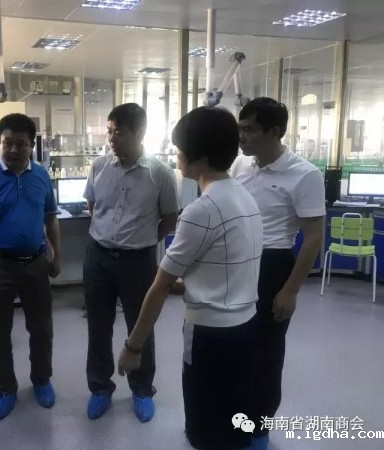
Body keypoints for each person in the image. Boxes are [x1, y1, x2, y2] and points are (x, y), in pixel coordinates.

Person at [118, 106, 263, 450]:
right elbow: (229, 262)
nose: (176, 156)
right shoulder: (244, 196)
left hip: (210, 334)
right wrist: (192, 282)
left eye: (180, 149)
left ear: (202, 157)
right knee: (234, 409)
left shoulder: (201, 211)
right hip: (245, 326)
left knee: (203, 416)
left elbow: (160, 285)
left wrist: (132, 347)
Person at [231, 98, 325, 449]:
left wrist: (291, 290)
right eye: (240, 128)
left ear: (274, 132)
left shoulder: (304, 174)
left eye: (249, 129)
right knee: (235, 347)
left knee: (266, 353)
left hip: (272, 266)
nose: (242, 137)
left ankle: (259, 428)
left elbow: (313, 238)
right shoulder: (240, 165)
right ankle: (234, 419)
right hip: (235, 264)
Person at [83, 102, 179, 422]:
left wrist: (144, 239)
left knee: (141, 325)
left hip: (138, 262)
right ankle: (100, 387)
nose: (112, 138)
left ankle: (141, 389)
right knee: (98, 326)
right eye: (109, 131)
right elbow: (93, 207)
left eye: (119, 132)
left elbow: (170, 218)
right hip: (98, 258)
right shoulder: (99, 166)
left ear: (140, 133)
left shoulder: (160, 173)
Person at [0, 113, 62, 421]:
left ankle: (41, 379)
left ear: (32, 145)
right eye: (7, 143)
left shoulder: (41, 176)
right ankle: (5, 389)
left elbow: (50, 218)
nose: (13, 150)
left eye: (21, 144)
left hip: (35, 263)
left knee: (42, 329)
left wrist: (57, 254)